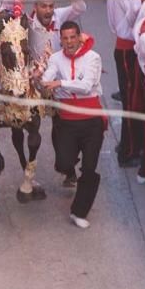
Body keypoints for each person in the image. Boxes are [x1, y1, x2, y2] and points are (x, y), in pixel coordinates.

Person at [41, 22, 106, 229]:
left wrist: (61, 84)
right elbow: (47, 78)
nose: (69, 42)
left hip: (91, 120)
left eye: (72, 37)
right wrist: (39, 79)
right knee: (63, 163)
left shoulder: (93, 58)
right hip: (67, 121)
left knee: (89, 168)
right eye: (65, 38)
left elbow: (86, 86)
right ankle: (69, 169)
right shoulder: (55, 58)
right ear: (61, 39)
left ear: (79, 37)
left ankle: (79, 211)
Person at [106, 0, 144, 166]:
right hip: (126, 50)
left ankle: (129, 145)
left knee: (134, 100)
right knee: (131, 102)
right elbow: (132, 17)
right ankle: (128, 153)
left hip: (129, 49)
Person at [0, 0, 87, 62]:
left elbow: (80, 8)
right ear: (35, 7)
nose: (48, 10)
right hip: (37, 70)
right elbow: (5, 10)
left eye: (51, 6)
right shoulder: (28, 24)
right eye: (44, 6)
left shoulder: (58, 15)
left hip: (60, 67)